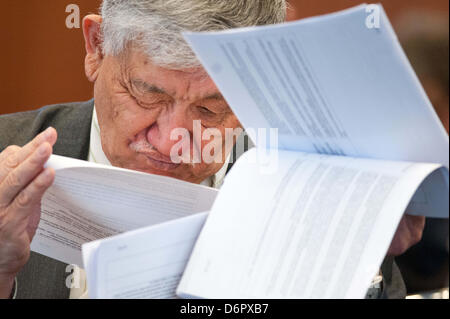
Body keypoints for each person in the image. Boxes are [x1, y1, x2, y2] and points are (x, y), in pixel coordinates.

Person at [0, 0, 424, 299]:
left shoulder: (308, 195)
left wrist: (353, 270)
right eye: (148, 95)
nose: (173, 141)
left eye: (211, 107)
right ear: (95, 47)